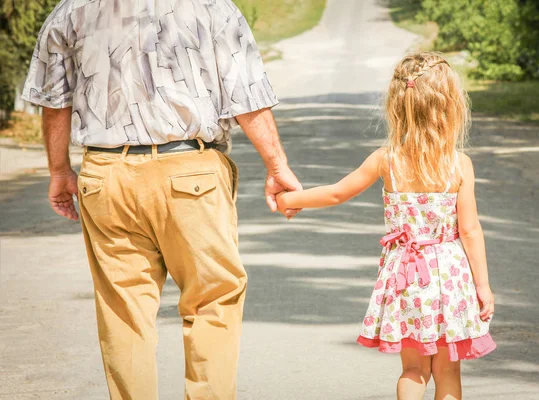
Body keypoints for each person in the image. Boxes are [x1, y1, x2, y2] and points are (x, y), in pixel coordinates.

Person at [21, 0, 301, 398]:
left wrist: (58, 170)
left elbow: (54, 100)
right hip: (192, 172)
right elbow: (247, 94)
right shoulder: (212, 7)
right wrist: (277, 166)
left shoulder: (72, 10)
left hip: (107, 176)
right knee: (212, 301)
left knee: (124, 313)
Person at [276, 52, 496, 400]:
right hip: (450, 281)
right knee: (448, 371)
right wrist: (482, 285)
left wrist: (288, 199)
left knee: (413, 370)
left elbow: (335, 194)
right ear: (450, 106)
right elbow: (469, 230)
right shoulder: (459, 165)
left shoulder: (387, 159)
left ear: (398, 105)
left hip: (406, 277)